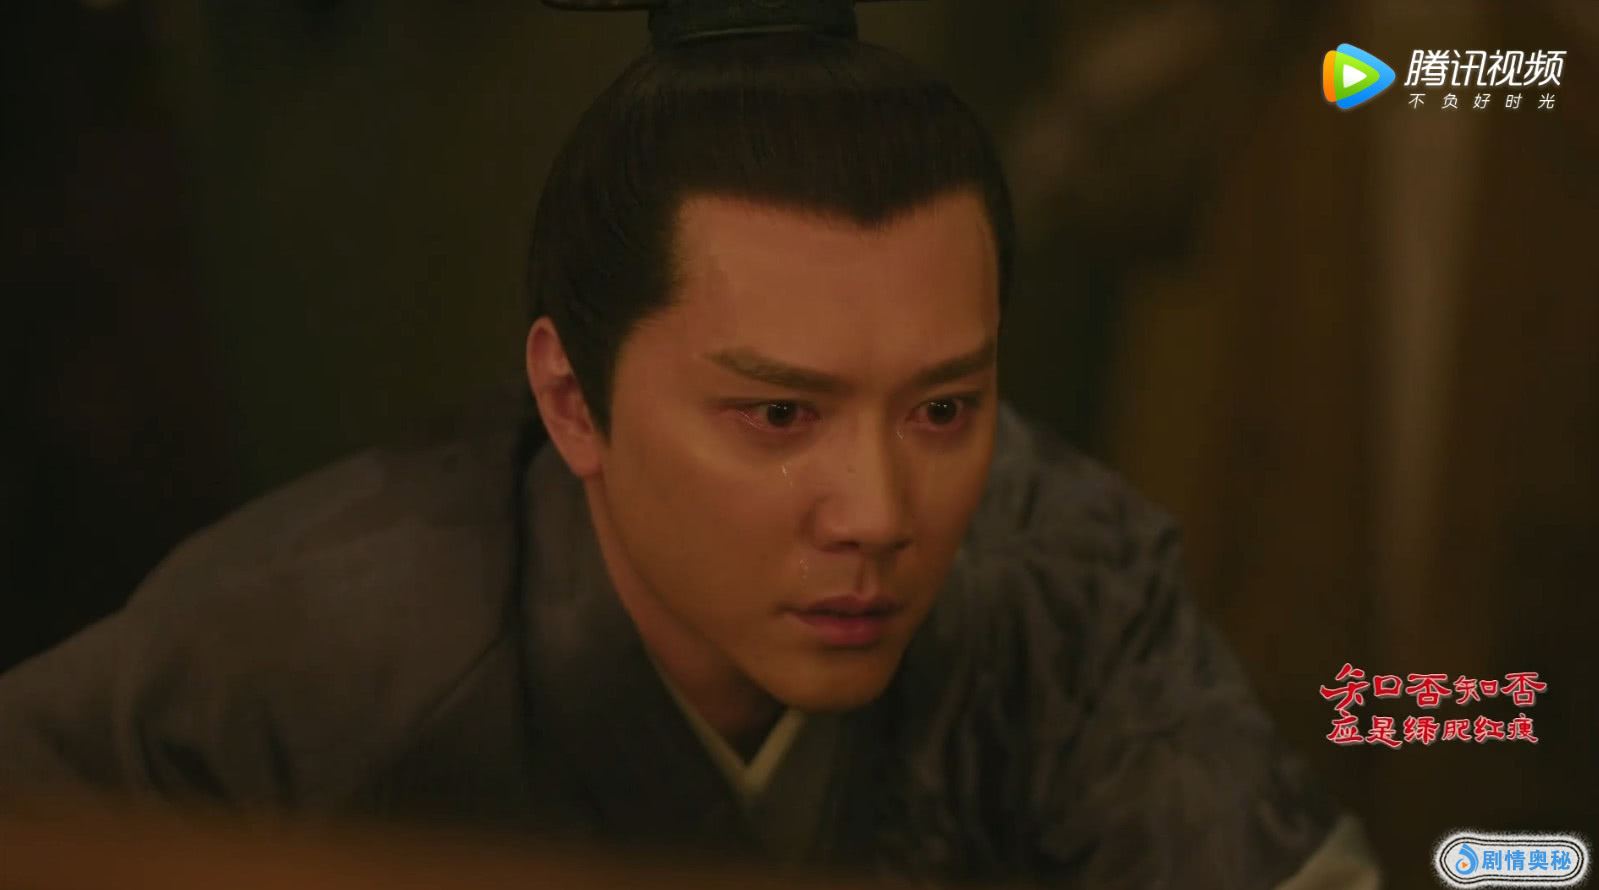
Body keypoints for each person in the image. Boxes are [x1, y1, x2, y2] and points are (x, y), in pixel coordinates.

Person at [0, 2, 1380, 886]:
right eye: (778, 414)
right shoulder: (316, 642)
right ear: (572, 401)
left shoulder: (1063, 576)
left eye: (942, 407)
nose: (879, 510)